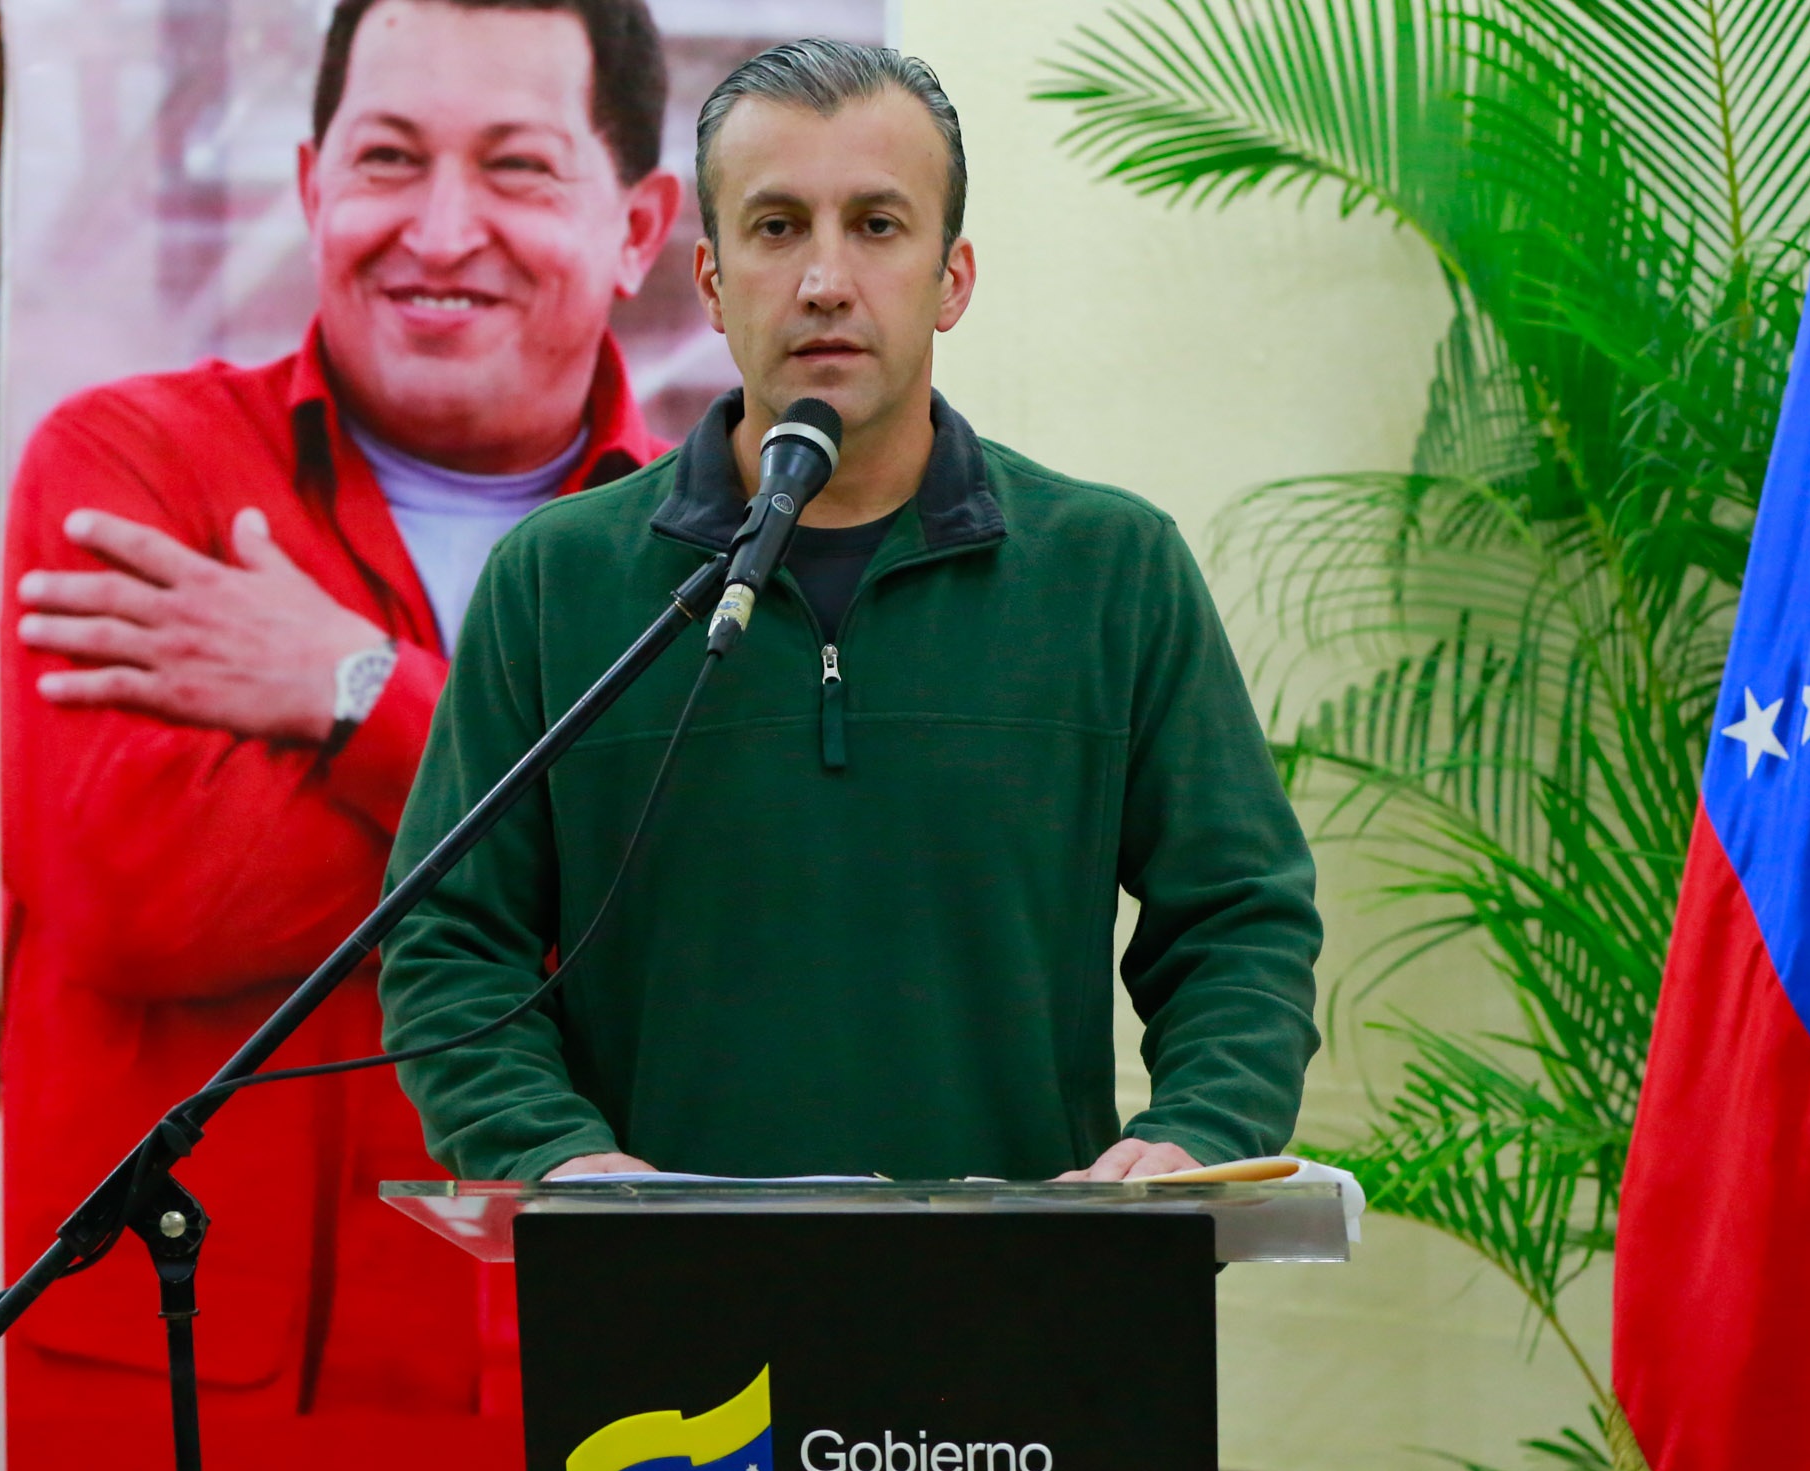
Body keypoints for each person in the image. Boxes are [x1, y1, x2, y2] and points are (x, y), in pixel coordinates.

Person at [379, 42, 1322, 1184]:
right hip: (663, 1281)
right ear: (711, 281)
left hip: (1029, 1277)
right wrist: (560, 1159)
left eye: (877, 225)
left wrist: (1195, 1135)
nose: (825, 279)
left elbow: (1238, 920)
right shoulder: (555, 581)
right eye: (777, 227)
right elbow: (449, 945)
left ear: (952, 278)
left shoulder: (1113, 570)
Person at [0, 0, 680, 1416]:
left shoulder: (719, 545)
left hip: (592, 1381)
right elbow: (138, 892)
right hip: (190, 1389)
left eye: (516, 165)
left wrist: (350, 689)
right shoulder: (132, 469)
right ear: (314, 186)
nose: (439, 230)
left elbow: (714, 907)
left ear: (636, 226)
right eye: (388, 157)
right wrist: (565, 818)